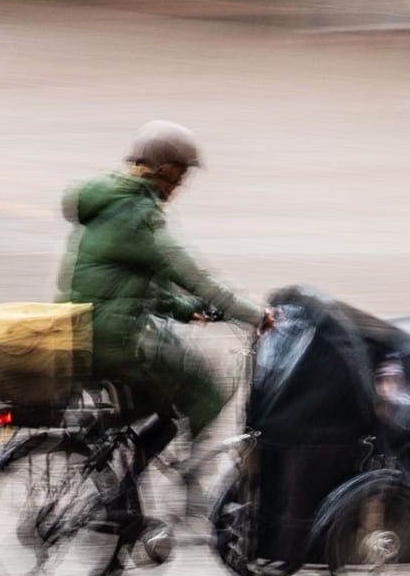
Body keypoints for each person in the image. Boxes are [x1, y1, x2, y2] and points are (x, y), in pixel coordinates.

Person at [56, 121, 271, 468]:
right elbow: (193, 275)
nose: (182, 183)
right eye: (181, 174)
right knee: (206, 389)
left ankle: (118, 486)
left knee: (155, 401)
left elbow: (129, 283)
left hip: (83, 330)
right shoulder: (137, 217)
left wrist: (186, 310)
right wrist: (256, 315)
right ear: (163, 169)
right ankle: (190, 476)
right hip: (114, 342)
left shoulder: (110, 202)